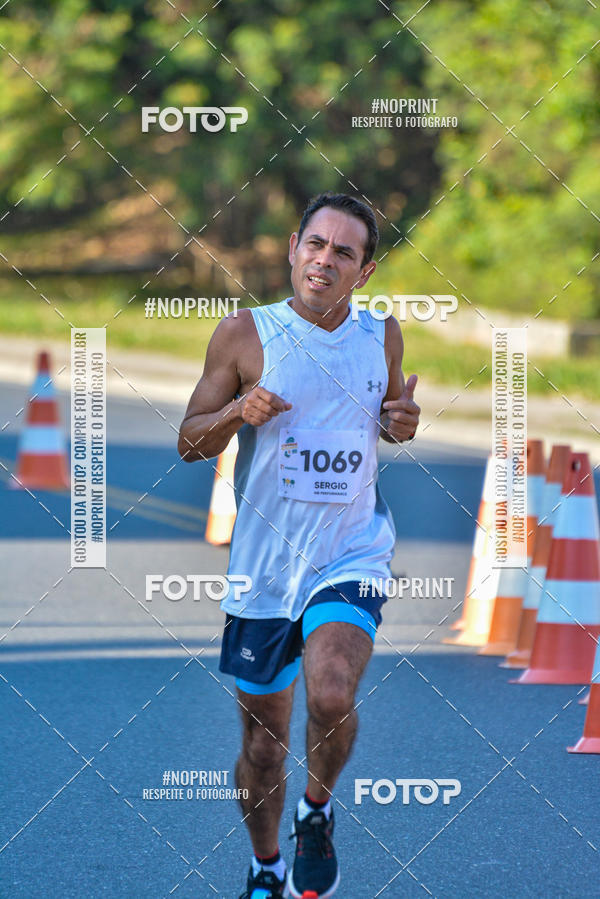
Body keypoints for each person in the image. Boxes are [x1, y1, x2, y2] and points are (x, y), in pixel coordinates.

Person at [178, 192, 420, 899]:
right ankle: (265, 866)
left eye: (344, 252)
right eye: (316, 244)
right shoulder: (244, 334)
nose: (325, 260)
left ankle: (315, 811)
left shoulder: (382, 337)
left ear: (365, 271)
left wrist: (401, 419)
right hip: (264, 568)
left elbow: (390, 422)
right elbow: (191, 441)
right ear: (293, 247)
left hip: (351, 551)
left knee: (333, 689)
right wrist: (233, 410)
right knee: (261, 741)